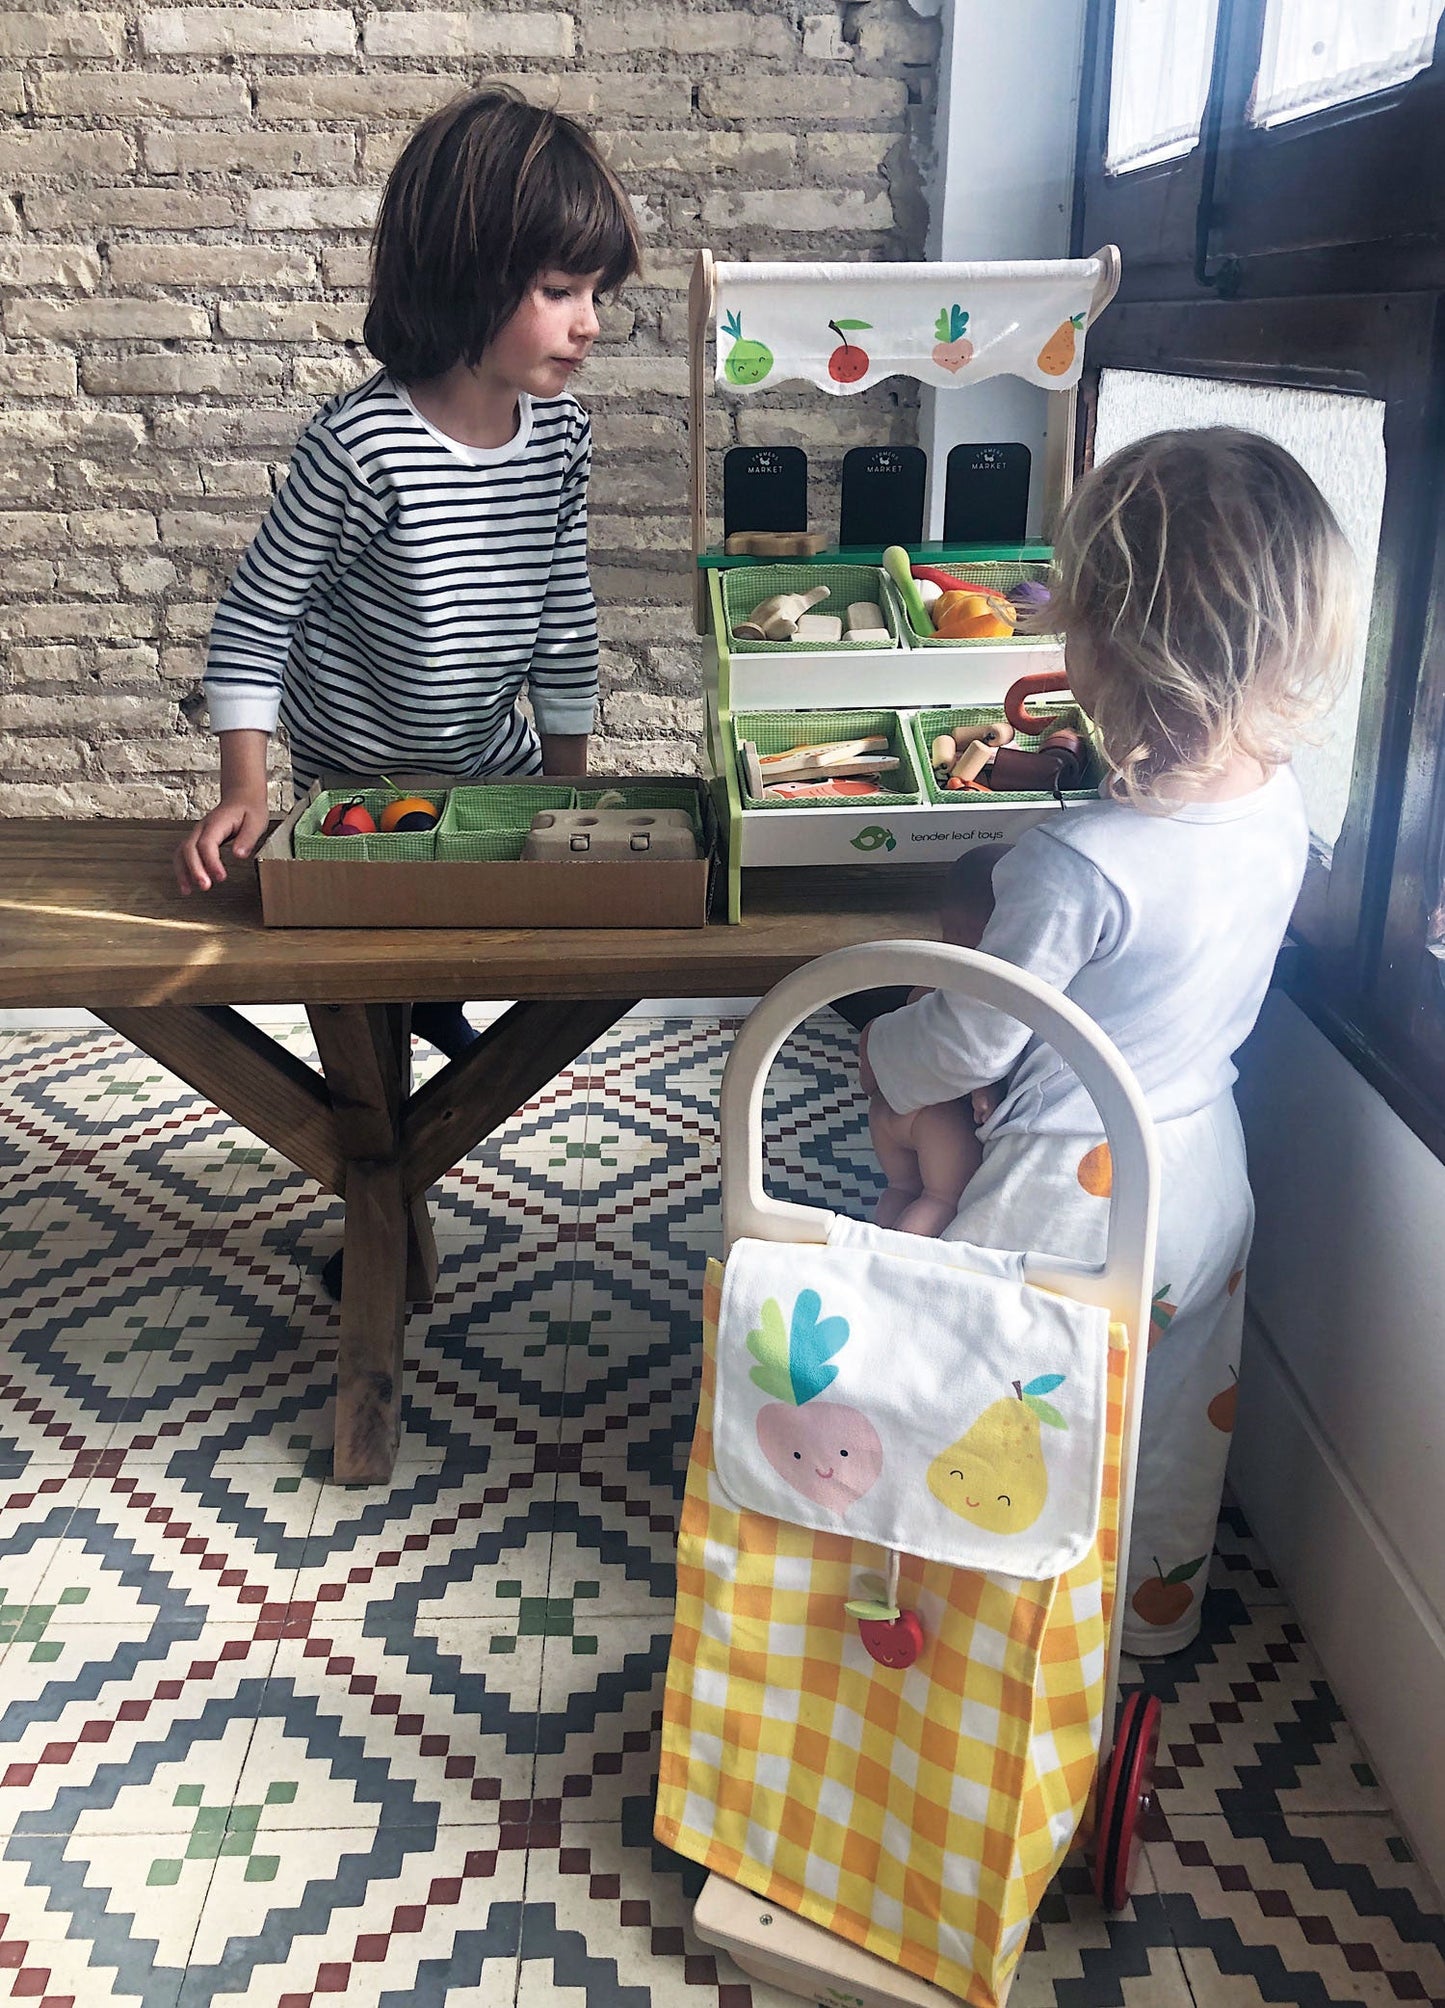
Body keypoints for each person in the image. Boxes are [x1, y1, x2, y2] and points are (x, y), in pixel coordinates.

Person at [861, 428, 1356, 1656]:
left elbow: (974, 1037)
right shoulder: (1275, 802)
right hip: (1201, 1163)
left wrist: (885, 1053)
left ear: (1101, 647)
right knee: (1177, 1412)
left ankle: (968, 1635)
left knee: (987, 1401)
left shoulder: (1071, 864)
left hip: (1064, 1189)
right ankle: (1147, 1625)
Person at [172, 85, 642, 1062]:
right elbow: (259, 615)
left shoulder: (561, 435)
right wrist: (244, 789)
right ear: (464, 276)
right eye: (560, 291)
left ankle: (444, 1015)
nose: (589, 322)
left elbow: (565, 620)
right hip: (358, 790)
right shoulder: (363, 447)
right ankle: (387, 1089)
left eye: (598, 294)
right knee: (365, 1011)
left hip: (491, 761)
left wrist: (565, 793)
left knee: (559, 948)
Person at [867, 846, 1005, 1235]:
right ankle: (899, 1262)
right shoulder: (982, 986)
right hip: (939, 1115)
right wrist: (985, 1088)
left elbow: (912, 1020)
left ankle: (878, 1241)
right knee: (941, 1199)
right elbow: (974, 1042)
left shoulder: (933, 973)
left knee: (903, 1186)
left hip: (888, 1106)